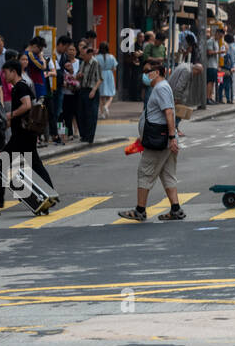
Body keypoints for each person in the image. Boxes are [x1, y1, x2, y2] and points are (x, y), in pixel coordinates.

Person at [118, 58, 186, 221]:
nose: (145, 75)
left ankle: (140, 210)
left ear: (157, 72)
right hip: (164, 140)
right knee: (167, 174)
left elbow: (168, 113)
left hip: (159, 141)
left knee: (145, 173)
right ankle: (176, 209)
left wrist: (171, 138)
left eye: (147, 71)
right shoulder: (161, 87)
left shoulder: (161, 88)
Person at [0, 60, 55, 211]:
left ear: (13, 72)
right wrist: (11, 121)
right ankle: (49, 195)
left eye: (6, 72)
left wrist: (10, 115)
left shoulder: (20, 86)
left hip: (22, 136)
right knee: (35, 165)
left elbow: (27, 105)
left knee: (2, 162)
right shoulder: (21, 86)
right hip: (24, 134)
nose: (4, 75)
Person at [77, 42, 102, 144]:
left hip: (92, 91)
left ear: (90, 54)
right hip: (82, 90)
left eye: (84, 55)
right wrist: (78, 76)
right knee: (81, 114)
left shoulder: (95, 63)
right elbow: (78, 76)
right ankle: (83, 135)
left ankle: (89, 137)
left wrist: (94, 90)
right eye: (81, 55)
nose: (82, 57)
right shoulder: (83, 63)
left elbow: (100, 79)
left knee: (91, 115)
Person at [95, 42, 117, 122]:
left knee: (101, 95)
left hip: (100, 75)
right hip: (109, 75)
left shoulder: (96, 57)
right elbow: (114, 68)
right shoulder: (111, 57)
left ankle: (102, 114)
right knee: (111, 94)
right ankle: (106, 106)